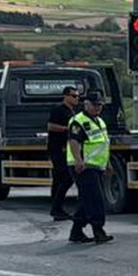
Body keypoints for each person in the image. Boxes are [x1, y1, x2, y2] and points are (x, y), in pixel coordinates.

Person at [67, 91, 114, 244]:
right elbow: (74, 142)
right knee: (96, 199)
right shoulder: (78, 121)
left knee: (87, 199)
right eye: (95, 105)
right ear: (86, 104)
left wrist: (107, 163)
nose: (98, 107)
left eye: (100, 105)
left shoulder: (99, 121)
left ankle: (76, 231)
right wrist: (78, 160)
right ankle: (98, 230)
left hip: (96, 165)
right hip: (84, 166)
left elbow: (103, 144)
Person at [46, 85, 79, 220]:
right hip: (58, 149)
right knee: (66, 178)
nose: (77, 98)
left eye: (78, 96)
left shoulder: (72, 111)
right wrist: (67, 129)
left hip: (66, 149)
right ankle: (56, 208)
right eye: (74, 96)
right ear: (66, 96)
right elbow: (50, 126)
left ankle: (56, 209)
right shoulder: (59, 109)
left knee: (58, 180)